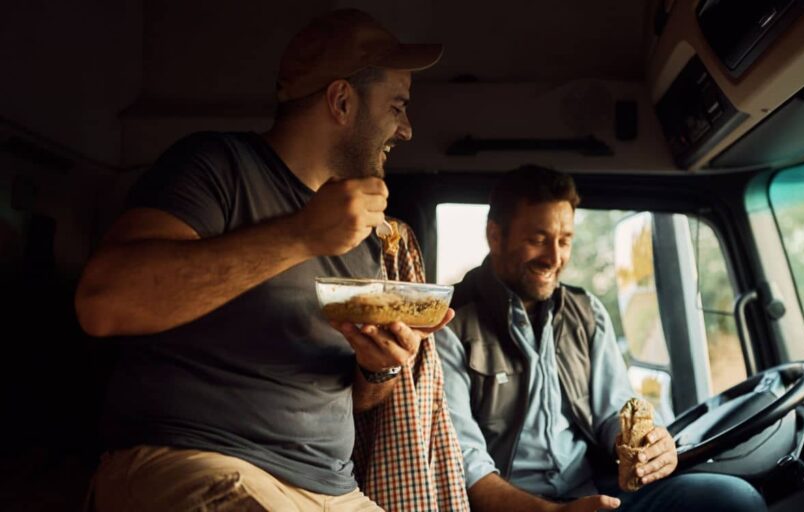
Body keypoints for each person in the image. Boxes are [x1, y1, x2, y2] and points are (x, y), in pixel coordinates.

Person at [75, 9, 467, 511]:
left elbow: (351, 397)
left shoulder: (367, 233)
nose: (407, 129)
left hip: (331, 489)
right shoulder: (215, 167)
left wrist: (377, 370)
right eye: (397, 106)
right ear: (342, 101)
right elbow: (103, 303)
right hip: (199, 461)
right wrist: (301, 234)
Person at [437, 165, 767, 512]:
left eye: (564, 240)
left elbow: (614, 410)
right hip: (512, 505)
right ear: (495, 235)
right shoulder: (449, 322)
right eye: (537, 239)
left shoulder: (587, 311)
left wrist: (648, 443)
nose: (554, 257)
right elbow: (465, 467)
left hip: (597, 491)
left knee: (733, 499)